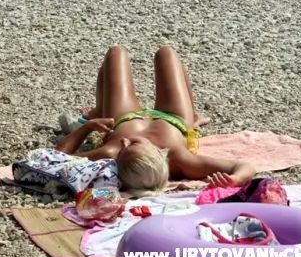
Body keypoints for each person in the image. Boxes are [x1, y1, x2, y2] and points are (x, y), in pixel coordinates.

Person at [54, 45, 256, 195]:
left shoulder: (111, 152)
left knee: (116, 53)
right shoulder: (179, 158)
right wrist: (235, 179)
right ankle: (194, 116)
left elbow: (56, 158)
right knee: (166, 53)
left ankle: (97, 111)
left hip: (125, 118)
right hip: (174, 118)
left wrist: (88, 127)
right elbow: (244, 167)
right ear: (159, 153)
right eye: (132, 144)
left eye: (123, 149)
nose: (124, 141)